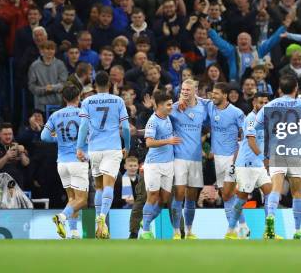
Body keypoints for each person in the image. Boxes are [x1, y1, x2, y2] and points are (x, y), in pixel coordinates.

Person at [254, 75, 301, 239]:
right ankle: (297, 229)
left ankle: (270, 218)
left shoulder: (271, 105)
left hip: (277, 151)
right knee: (297, 192)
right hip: (295, 152)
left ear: (280, 90)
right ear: (296, 88)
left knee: (276, 188)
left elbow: (256, 126)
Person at [77, 70, 130, 239]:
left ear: (95, 85)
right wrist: (127, 145)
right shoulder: (118, 100)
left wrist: (80, 147)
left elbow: (84, 126)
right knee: (109, 186)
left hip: (95, 149)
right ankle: (102, 218)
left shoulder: (87, 101)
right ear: (109, 84)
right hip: (113, 148)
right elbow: (127, 128)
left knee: (98, 187)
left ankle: (99, 224)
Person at [42, 85, 89, 239]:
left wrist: (58, 139)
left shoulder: (55, 115)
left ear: (64, 98)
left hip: (62, 162)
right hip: (78, 160)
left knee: (72, 199)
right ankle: (61, 217)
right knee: (82, 200)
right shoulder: (84, 113)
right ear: (79, 97)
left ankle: (74, 232)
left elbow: (44, 137)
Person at [201, 83, 247, 236]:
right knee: (226, 194)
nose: (213, 96)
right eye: (212, 93)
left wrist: (238, 157)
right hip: (218, 159)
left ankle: (237, 228)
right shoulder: (210, 106)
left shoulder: (237, 113)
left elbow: (247, 135)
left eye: (216, 93)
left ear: (225, 95)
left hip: (232, 158)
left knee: (229, 193)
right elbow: (194, 98)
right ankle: (239, 228)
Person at [226, 92, 272, 239]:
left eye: (266, 103)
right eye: (261, 103)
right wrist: (264, 158)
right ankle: (231, 230)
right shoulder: (251, 119)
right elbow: (251, 142)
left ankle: (269, 232)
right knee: (241, 200)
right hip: (246, 165)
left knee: (270, 196)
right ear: (254, 103)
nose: (264, 106)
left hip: (258, 166)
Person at [139, 90, 181, 239]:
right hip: (154, 164)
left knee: (163, 199)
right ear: (160, 106)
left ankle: (146, 220)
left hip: (168, 164)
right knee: (152, 197)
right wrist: (168, 141)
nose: (171, 107)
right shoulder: (153, 120)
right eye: (168, 105)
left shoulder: (167, 116)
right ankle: (145, 231)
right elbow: (149, 142)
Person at [169, 79, 207, 239]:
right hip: (178, 158)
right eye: (183, 89)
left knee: (191, 197)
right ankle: (176, 231)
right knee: (178, 195)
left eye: (188, 90)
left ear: (195, 91)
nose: (185, 92)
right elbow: (159, 116)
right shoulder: (174, 108)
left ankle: (189, 231)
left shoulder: (203, 107)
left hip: (196, 159)